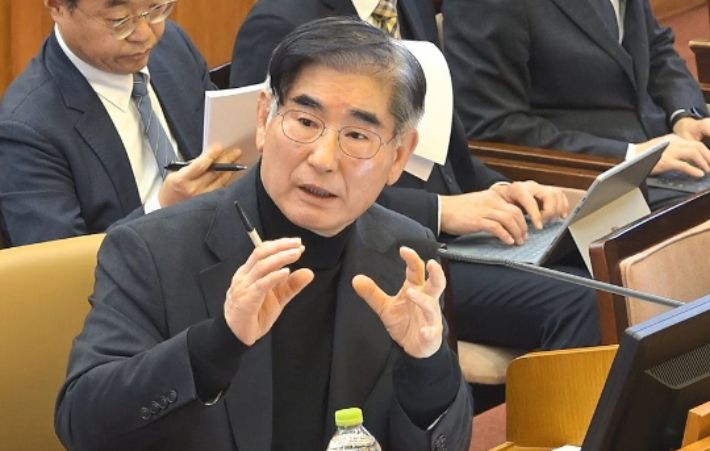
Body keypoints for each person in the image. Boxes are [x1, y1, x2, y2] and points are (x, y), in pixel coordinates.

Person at [55, 18, 473, 451]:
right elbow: (82, 424)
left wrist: (427, 364)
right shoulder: (154, 248)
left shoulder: (406, 252)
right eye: (305, 122)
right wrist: (218, 344)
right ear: (263, 118)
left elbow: (450, 442)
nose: (323, 159)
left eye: (356, 135)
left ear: (399, 156)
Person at [230, 0, 601, 351]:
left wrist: (503, 189)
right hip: (360, 249)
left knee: (595, 258)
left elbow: (446, 149)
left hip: (451, 239)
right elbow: (271, 175)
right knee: (584, 301)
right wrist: (441, 211)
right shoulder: (278, 21)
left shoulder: (408, 5)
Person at [0, 0, 241, 247]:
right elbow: (60, 265)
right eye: (119, 20)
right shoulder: (26, 130)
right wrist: (163, 209)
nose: (145, 35)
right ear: (57, 7)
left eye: (156, 9)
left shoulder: (173, 47)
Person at [443, 0, 710, 208]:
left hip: (669, 155)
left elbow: (656, 48)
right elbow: (494, 127)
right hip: (588, 181)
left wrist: (685, 115)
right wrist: (631, 155)